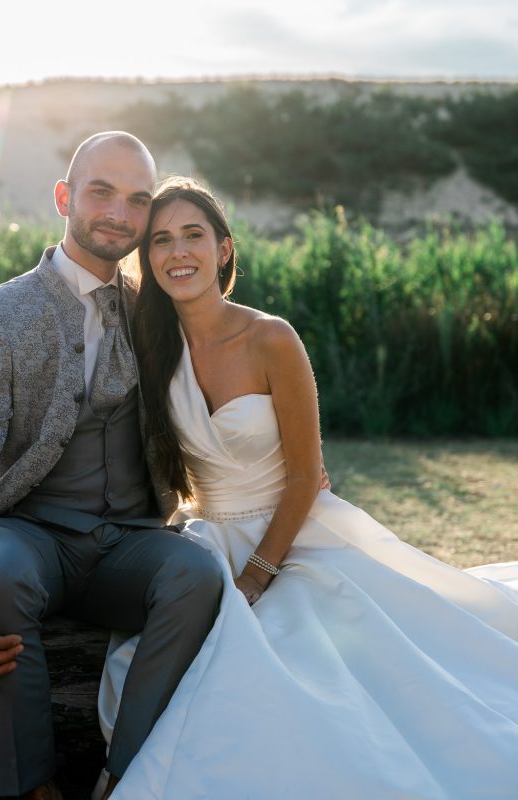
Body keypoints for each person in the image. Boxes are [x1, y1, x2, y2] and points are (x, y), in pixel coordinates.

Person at [98, 177, 518, 800]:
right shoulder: (151, 346)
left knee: (303, 667)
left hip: (293, 534)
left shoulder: (272, 338)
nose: (177, 251)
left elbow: (304, 475)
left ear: (225, 249)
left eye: (194, 235)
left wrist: (258, 574)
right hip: (206, 539)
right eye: (160, 240)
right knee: (147, 659)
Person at [0, 135, 225, 800]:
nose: (120, 212)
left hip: (129, 540)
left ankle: (125, 774)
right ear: (64, 197)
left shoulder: (155, 309)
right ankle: (30, 787)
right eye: (101, 192)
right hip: (30, 533)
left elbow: (222, 387)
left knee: (198, 575)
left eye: (137, 200)